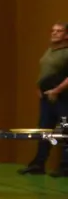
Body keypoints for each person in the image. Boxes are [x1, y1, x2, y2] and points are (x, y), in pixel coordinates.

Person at [21, 22, 68, 176]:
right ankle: (38, 164)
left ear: (66, 35)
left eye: (59, 31)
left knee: (64, 131)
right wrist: (38, 87)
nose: (54, 33)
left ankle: (65, 166)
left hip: (62, 98)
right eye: (53, 30)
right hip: (46, 98)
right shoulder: (49, 51)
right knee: (44, 130)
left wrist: (57, 90)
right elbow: (45, 72)